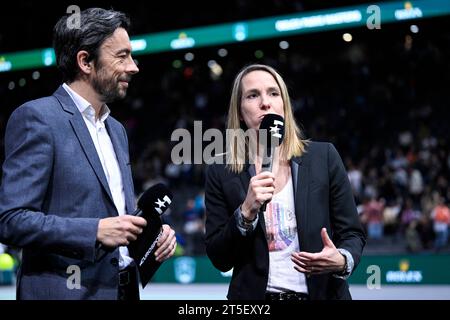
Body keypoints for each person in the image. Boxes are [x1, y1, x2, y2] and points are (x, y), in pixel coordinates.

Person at [0, 8, 176, 300]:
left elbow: (116, 221)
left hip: (123, 291)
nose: (134, 67)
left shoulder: (116, 129)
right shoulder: (38, 118)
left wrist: (151, 239)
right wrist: (93, 231)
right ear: (85, 61)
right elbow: (11, 219)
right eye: (122, 56)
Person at [204, 64, 366, 300]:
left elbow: (352, 233)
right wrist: (246, 212)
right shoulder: (221, 171)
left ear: (284, 104)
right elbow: (219, 258)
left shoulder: (324, 157)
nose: (265, 103)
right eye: (252, 95)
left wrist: (341, 260)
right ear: (239, 112)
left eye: (273, 93)